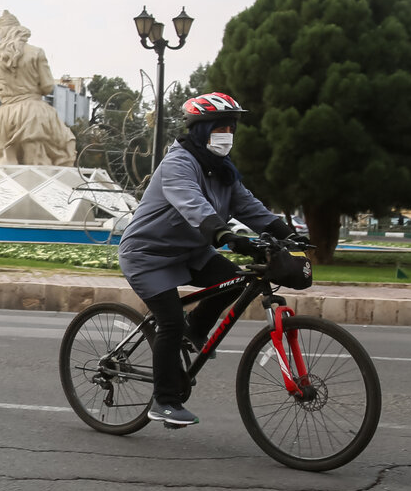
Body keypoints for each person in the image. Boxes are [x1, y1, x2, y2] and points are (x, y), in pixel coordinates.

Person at [117, 93, 305, 426]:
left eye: (231, 128)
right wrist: (226, 236)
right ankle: (164, 401)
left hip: (191, 251)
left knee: (232, 281)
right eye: (221, 127)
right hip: (149, 255)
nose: (227, 135)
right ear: (201, 129)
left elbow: (249, 206)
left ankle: (195, 331)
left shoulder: (222, 170)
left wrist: (286, 232)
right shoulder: (178, 164)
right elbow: (192, 204)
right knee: (170, 322)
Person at [0, 10, 76, 166]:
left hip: (5, 115)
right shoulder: (36, 52)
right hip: (34, 113)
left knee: (7, 168)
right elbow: (47, 87)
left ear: (4, 30)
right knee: (39, 166)